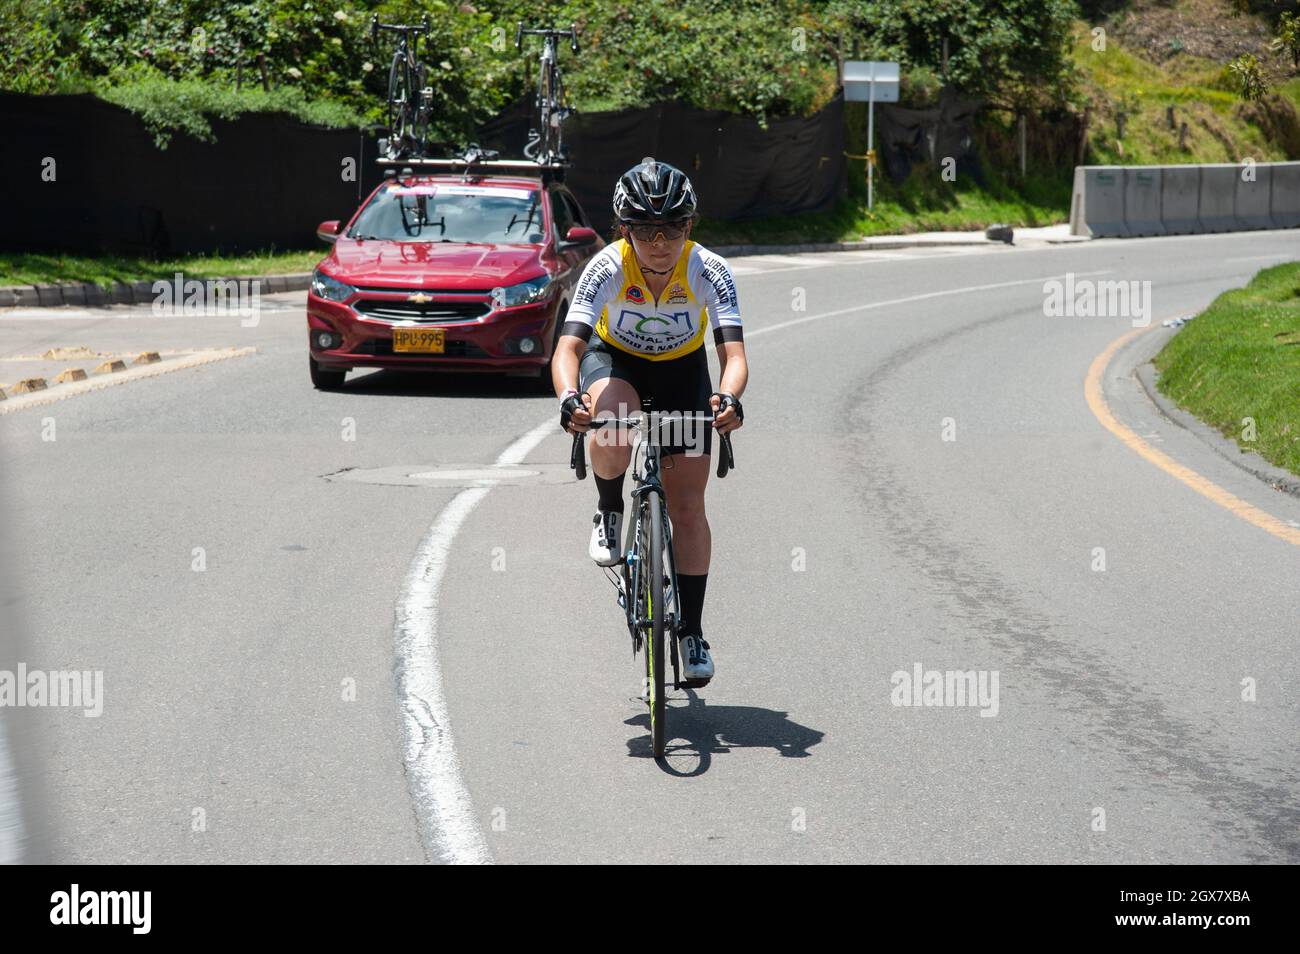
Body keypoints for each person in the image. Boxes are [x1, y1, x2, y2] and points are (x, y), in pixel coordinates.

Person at [552, 157, 748, 684]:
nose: (658, 242)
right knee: (611, 415)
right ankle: (609, 508)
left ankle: (692, 632)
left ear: (689, 227)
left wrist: (728, 399)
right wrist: (570, 397)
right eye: (644, 230)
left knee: (687, 509)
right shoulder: (607, 266)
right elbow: (567, 349)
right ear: (625, 231)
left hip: (684, 371)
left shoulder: (709, 270)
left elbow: (734, 358)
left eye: (671, 229)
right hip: (616, 359)